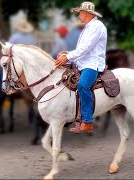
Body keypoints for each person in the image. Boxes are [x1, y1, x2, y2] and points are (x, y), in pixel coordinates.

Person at [55, 2, 107, 132]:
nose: (79, 16)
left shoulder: (97, 26)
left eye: (80, 13)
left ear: (87, 13)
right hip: (82, 62)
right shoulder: (88, 27)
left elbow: (86, 48)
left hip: (92, 64)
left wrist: (68, 56)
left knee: (83, 85)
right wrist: (67, 54)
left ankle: (87, 121)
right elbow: (81, 49)